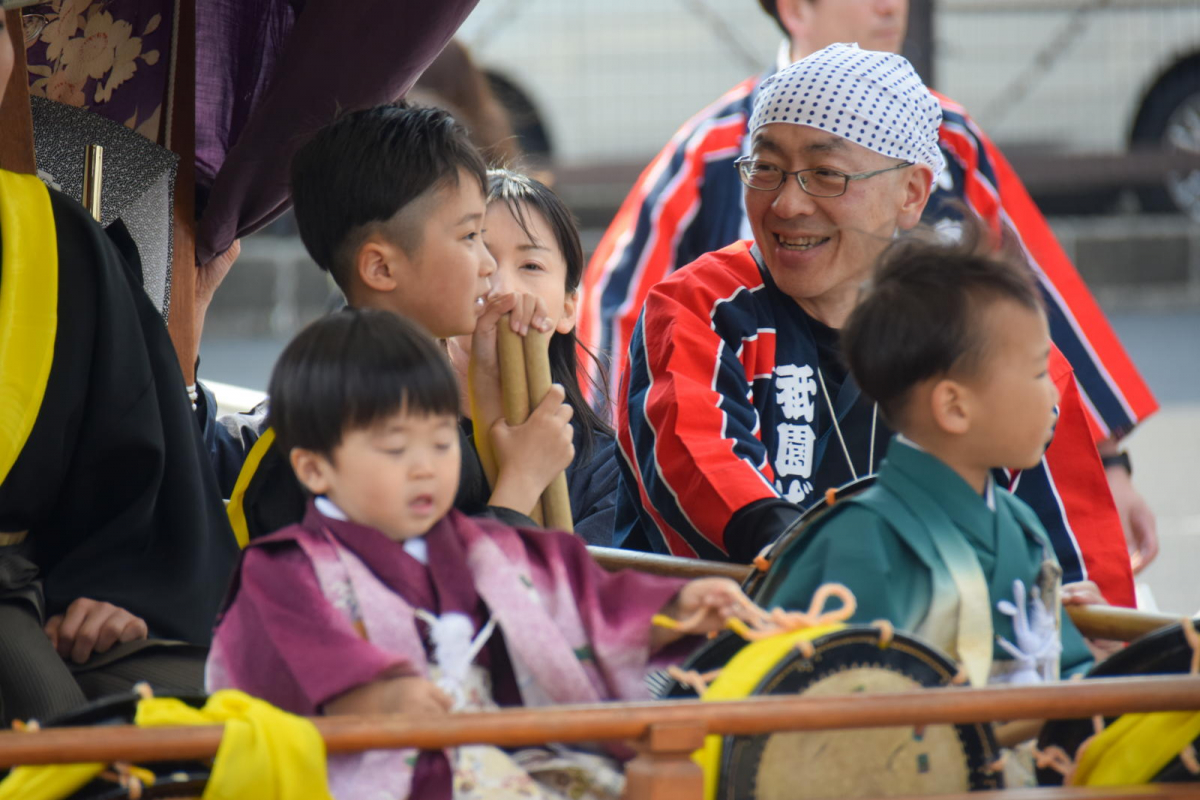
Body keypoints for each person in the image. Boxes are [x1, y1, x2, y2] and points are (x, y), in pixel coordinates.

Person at [582, 0, 1159, 574]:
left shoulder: (973, 330)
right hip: (726, 640)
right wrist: (808, 559)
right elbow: (696, 451)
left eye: (826, 175)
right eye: (765, 169)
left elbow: (1077, 560)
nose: (786, 203)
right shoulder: (702, 305)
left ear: (912, 194)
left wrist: (1110, 477)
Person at [206, 309, 746, 799]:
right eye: (397, 448)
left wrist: (676, 610)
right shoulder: (284, 571)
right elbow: (340, 694)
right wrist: (387, 698)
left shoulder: (475, 547)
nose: (426, 467)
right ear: (314, 468)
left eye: (441, 441)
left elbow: (587, 604)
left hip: (487, 760)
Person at [0, 16, 238, 723]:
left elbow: (139, 458)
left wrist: (119, 589)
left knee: (216, 718)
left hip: (26, 594)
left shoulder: (53, 239)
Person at [204, 103, 579, 543]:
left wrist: (492, 394)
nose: (488, 265)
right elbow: (426, 592)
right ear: (380, 269)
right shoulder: (365, 411)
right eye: (470, 237)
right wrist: (522, 481)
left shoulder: (387, 379)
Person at [754, 230, 1095, 687]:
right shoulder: (861, 546)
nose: (1053, 392)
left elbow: (1069, 673)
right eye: (1037, 372)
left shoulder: (1018, 525)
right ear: (954, 406)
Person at [445, 169, 618, 544]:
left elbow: (570, 596)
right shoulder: (403, 439)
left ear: (569, 308)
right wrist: (520, 479)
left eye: (531, 266)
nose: (503, 289)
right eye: (482, 259)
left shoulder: (610, 472)